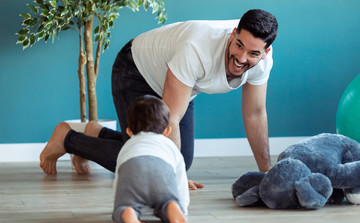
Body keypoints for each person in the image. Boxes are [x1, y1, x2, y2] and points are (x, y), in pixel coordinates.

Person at [40, 9, 278, 190]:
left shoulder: (262, 62)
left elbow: (255, 113)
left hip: (179, 85)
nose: (241, 57)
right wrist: (176, 180)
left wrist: (267, 172)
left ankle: (96, 133)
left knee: (180, 161)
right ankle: (67, 139)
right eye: (238, 45)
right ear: (234, 33)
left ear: (265, 52)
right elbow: (170, 119)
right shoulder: (197, 48)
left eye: (253, 53)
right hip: (136, 70)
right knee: (148, 162)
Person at [112, 95, 188, 223]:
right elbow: (181, 178)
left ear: (129, 131)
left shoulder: (127, 146)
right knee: (165, 202)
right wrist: (183, 206)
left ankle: (128, 211)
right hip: (161, 173)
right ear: (167, 131)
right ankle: (171, 206)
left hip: (132, 170)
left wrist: (120, 202)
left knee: (122, 208)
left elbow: (119, 176)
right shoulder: (169, 146)